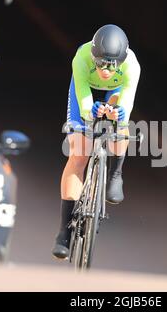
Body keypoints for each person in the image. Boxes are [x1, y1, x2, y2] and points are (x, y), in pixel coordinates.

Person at [52, 24, 141, 259]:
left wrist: (118, 113)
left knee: (121, 128)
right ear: (93, 56)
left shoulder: (132, 65)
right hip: (86, 93)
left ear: (120, 62)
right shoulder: (81, 57)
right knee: (79, 153)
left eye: (111, 65)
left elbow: (127, 101)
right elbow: (82, 93)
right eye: (100, 63)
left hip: (115, 92)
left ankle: (115, 174)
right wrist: (90, 111)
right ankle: (63, 233)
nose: (105, 69)